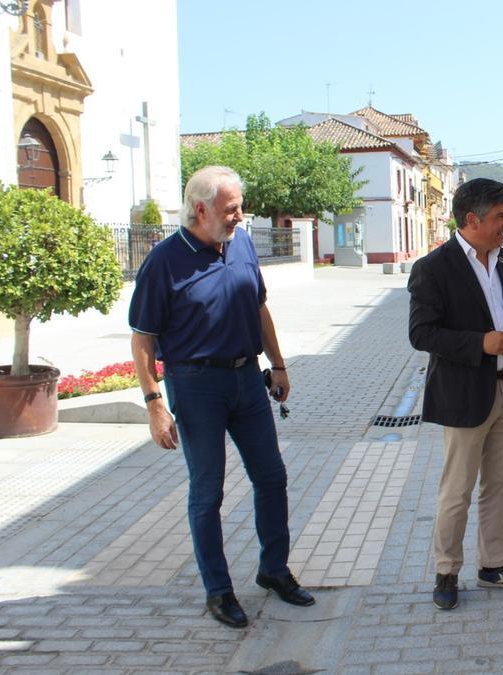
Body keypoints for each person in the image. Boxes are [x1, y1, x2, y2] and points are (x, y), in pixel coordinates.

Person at [129, 165, 313, 629]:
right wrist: (154, 404)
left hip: (248, 381)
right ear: (201, 209)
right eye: (232, 209)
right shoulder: (164, 261)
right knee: (208, 491)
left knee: (272, 477)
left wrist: (280, 364)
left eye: (239, 208)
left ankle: (274, 570)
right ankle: (219, 589)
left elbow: (258, 306)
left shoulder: (243, 243)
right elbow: (143, 338)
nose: (240, 216)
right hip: (195, 387)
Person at [408, 178, 503, 611]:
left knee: (499, 486)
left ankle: (494, 564)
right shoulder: (434, 267)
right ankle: (446, 571)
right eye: (501, 216)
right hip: (465, 395)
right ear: (472, 220)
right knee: (457, 490)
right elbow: (421, 333)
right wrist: (479, 343)